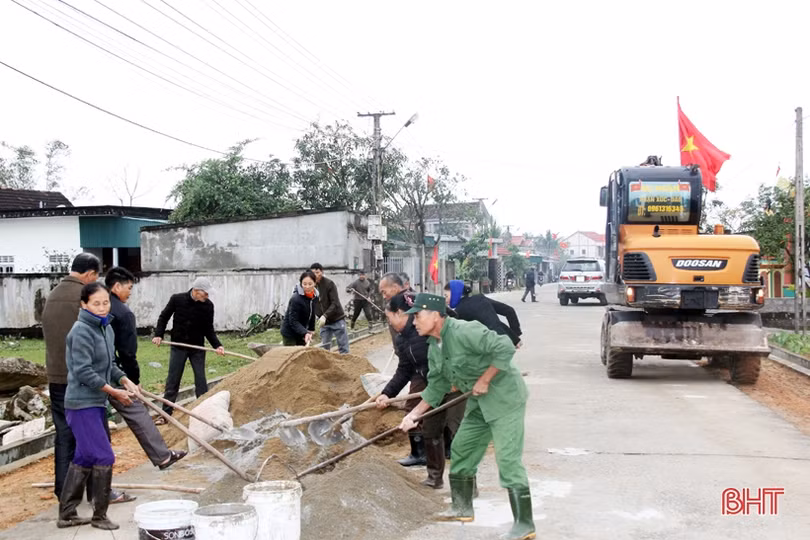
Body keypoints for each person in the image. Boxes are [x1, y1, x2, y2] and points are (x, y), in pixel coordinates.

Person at [399, 293, 535, 540]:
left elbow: (505, 346)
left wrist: (485, 379)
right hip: (479, 403)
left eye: (417, 316)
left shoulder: (465, 331)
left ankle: (524, 525)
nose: (414, 322)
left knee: (508, 460)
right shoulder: (434, 346)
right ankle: (461, 508)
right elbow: (437, 386)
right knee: (461, 448)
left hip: (504, 398)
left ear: (436, 315)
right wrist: (414, 415)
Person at [42, 253, 134, 505]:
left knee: (65, 436)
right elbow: (89, 358)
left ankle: (64, 493)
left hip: (56, 377)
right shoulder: (84, 299)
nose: (102, 306)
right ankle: (99, 491)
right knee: (98, 439)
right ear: (91, 275)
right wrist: (112, 387)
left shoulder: (53, 295)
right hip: (83, 383)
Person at [59, 283, 139, 530]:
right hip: (81, 404)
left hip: (97, 402)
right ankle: (100, 516)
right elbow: (83, 371)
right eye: (96, 303)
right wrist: (113, 391)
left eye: (105, 302)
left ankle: (67, 514)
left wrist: (124, 380)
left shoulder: (106, 328)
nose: (102, 308)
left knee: (84, 456)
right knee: (104, 456)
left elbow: (109, 365)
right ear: (84, 305)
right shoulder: (80, 331)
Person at [376, 292, 465, 487]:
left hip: (455, 387)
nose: (389, 322)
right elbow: (405, 370)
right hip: (433, 385)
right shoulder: (403, 339)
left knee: (457, 431)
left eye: (389, 317)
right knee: (431, 429)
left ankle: (465, 483)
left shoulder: (428, 331)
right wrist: (387, 393)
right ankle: (434, 478)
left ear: (399, 313)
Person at [105, 267, 187, 470]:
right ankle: (162, 456)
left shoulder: (97, 307)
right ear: (117, 286)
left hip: (100, 371)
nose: (130, 293)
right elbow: (128, 352)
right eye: (129, 288)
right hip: (114, 373)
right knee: (137, 412)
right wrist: (133, 380)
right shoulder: (123, 313)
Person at [152, 277, 224, 422]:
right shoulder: (177, 299)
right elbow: (164, 317)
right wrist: (159, 334)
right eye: (205, 293)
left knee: (201, 381)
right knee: (173, 381)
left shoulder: (208, 306)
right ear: (196, 291)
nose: (207, 296)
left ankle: (204, 414)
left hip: (197, 348)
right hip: (178, 347)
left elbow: (208, 329)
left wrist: (217, 345)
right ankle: (165, 414)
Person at [445, 280, 523, 347]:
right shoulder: (480, 298)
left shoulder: (460, 310)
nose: (446, 300)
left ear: (455, 293)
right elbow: (509, 310)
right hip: (505, 340)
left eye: (446, 296)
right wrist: (515, 336)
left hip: (490, 347)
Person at [309, 263, 349, 353]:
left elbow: (335, 303)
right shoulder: (310, 286)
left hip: (337, 319)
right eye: (313, 273)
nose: (315, 275)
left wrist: (325, 315)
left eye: (317, 272)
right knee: (324, 349)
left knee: (343, 347)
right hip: (324, 323)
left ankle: (345, 359)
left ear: (322, 272)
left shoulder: (329, 284)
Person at [280, 270, 318, 346]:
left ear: (315, 283)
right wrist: (305, 332)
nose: (307, 287)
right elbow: (293, 321)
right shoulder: (296, 299)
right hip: (290, 333)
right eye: (304, 284)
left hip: (302, 331)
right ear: (301, 284)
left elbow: (312, 313)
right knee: (293, 352)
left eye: (310, 284)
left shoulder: (315, 297)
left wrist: (311, 329)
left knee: (303, 351)